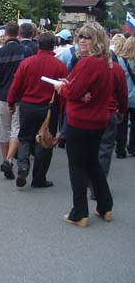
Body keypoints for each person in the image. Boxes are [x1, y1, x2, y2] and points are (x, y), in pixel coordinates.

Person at [55, 23, 114, 227]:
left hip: (81, 121)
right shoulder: (105, 62)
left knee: (77, 166)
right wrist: (71, 87)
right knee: (92, 163)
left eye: (87, 37)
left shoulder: (89, 63)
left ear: (96, 40)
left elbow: (72, 91)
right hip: (97, 120)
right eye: (80, 36)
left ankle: (79, 212)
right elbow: (78, 88)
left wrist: (62, 88)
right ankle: (105, 205)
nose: (82, 40)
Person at [7, 32, 67, 188]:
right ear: (53, 45)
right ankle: (39, 178)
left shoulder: (27, 62)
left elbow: (16, 85)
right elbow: (63, 90)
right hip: (49, 107)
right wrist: (61, 108)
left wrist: (11, 102)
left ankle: (23, 167)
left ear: (38, 44)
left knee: (25, 138)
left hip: (28, 105)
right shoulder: (59, 65)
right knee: (45, 142)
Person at [0, 21, 34, 180]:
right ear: (19, 34)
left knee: (4, 129)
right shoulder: (26, 51)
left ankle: (5, 159)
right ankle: (9, 159)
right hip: (21, 96)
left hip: (3, 94)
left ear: (6, 34)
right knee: (16, 128)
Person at [116, 36, 135, 158]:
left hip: (123, 96)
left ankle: (120, 149)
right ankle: (132, 147)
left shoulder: (119, 61)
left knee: (121, 123)